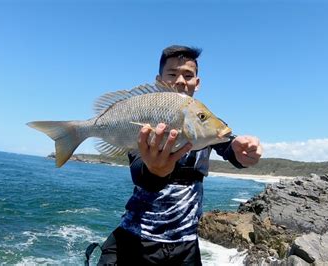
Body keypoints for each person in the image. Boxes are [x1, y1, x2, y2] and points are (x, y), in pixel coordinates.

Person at [97, 45, 262, 265]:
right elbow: (138, 169)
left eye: (188, 75)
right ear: (160, 79)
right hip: (137, 240)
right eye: (172, 74)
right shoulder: (148, 112)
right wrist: (155, 171)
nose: (181, 81)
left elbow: (225, 142)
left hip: (186, 246)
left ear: (197, 82)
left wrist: (241, 151)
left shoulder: (201, 119)